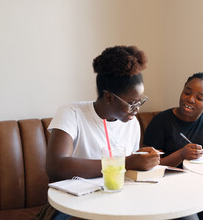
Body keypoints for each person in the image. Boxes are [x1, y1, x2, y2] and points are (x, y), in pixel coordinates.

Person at [37, 46, 161, 220]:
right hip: (73, 206)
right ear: (109, 97)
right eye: (132, 103)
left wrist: (143, 163)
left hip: (116, 203)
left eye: (140, 102)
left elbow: (128, 177)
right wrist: (127, 162)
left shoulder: (130, 123)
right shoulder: (71, 113)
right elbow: (56, 167)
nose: (137, 110)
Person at [143, 72, 203, 220]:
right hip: (170, 191)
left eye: (200, 98)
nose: (190, 99)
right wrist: (180, 154)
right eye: (187, 92)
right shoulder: (161, 121)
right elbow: (149, 167)